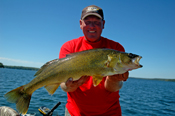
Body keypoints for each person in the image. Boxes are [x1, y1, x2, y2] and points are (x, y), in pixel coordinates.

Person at [59, 5, 129, 116]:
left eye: (97, 22)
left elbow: (112, 88)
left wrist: (114, 80)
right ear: (81, 24)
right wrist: (70, 86)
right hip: (75, 113)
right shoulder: (69, 47)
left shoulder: (116, 49)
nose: (92, 26)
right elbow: (63, 85)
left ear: (103, 24)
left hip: (110, 112)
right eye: (87, 22)